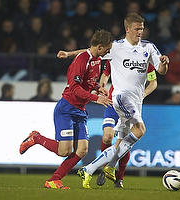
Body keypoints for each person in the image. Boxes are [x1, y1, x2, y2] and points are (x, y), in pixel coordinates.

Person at [57, 13, 169, 189]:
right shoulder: (115, 48)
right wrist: (69, 53)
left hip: (136, 101)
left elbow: (160, 73)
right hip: (120, 97)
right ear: (127, 29)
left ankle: (98, 169)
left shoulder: (149, 48)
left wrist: (164, 63)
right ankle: (101, 168)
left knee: (121, 142)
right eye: (137, 28)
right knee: (137, 130)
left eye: (142, 28)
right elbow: (90, 52)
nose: (140, 31)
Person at [19, 29, 114, 189]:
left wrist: (98, 88)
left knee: (82, 150)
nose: (108, 52)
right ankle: (36, 138)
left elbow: (88, 82)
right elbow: (74, 88)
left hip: (80, 111)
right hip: (67, 109)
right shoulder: (81, 60)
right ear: (99, 46)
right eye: (107, 49)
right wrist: (96, 98)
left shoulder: (97, 60)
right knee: (64, 151)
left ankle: (53, 180)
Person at [95, 60, 157, 188]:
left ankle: (119, 178)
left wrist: (143, 95)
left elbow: (153, 83)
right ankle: (107, 169)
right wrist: (102, 86)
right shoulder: (118, 55)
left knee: (123, 142)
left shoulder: (145, 60)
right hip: (113, 102)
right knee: (107, 137)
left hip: (131, 106)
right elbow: (106, 73)